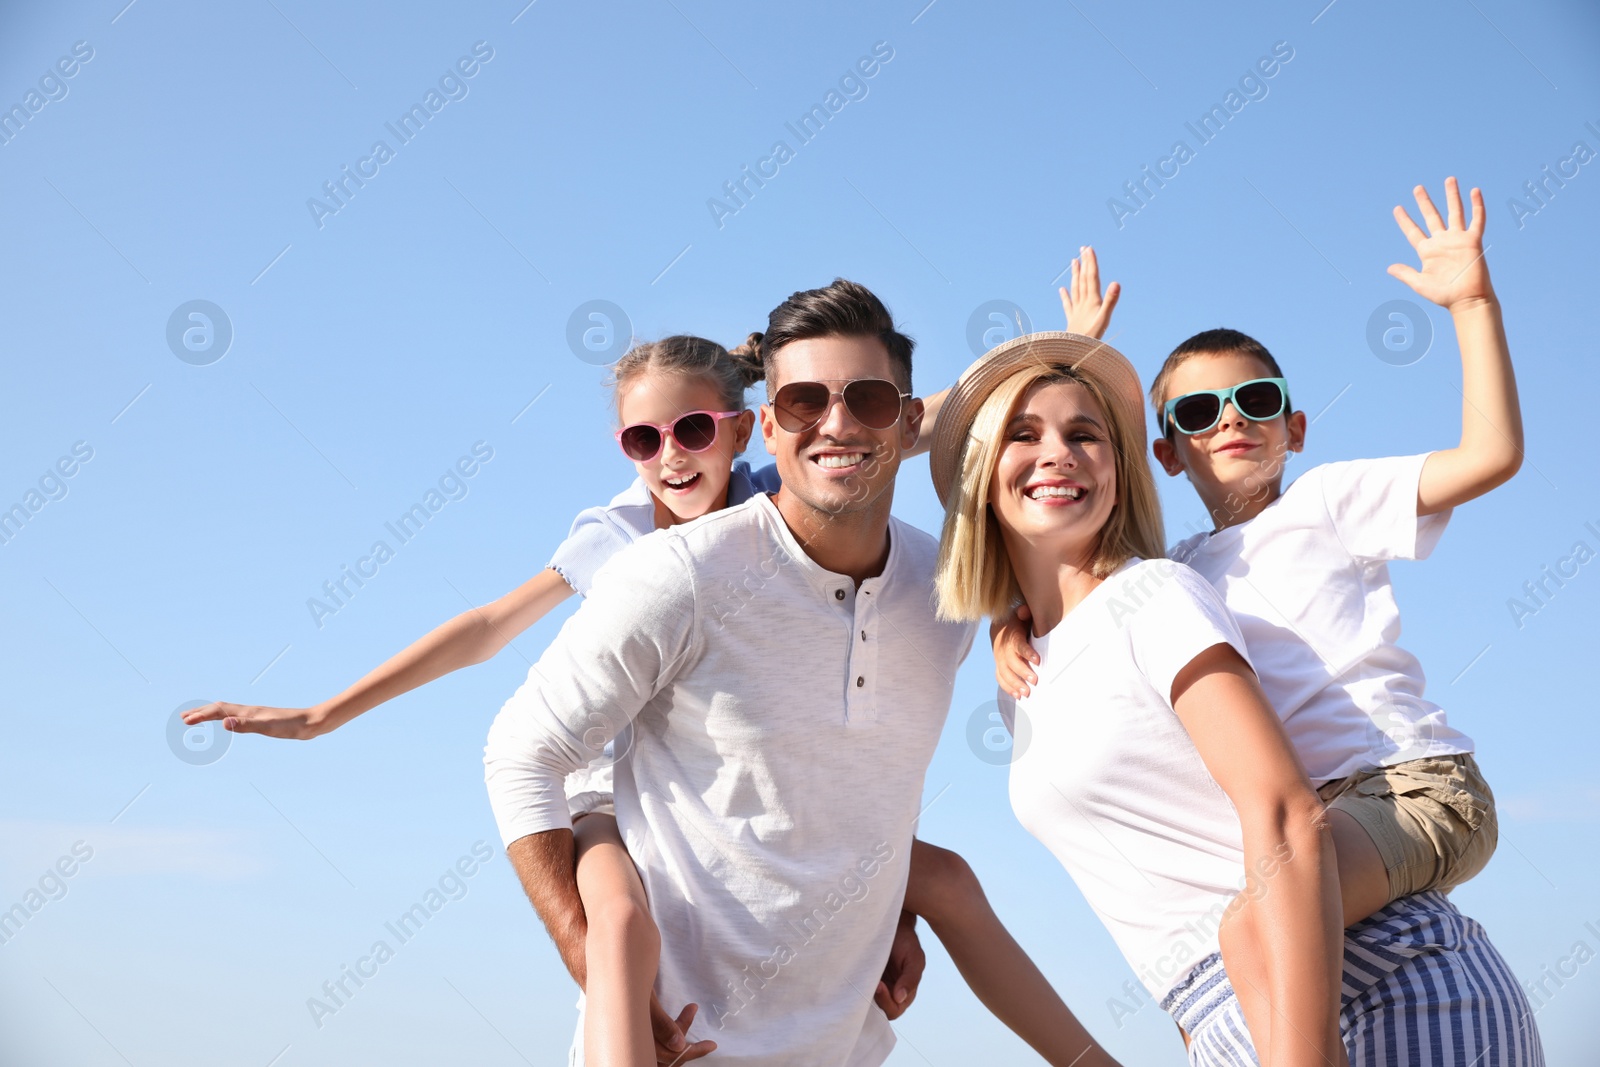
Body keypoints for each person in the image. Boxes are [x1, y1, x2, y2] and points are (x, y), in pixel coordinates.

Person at [195, 289, 1121, 1065]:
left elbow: (959, 436)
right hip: (627, 838)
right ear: (770, 420)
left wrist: (892, 905)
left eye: (871, 400)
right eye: (643, 439)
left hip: (844, 1040)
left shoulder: (938, 585)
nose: (670, 456)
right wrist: (323, 715)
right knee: (620, 926)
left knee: (948, 879)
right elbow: (502, 690)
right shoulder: (645, 558)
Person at [997, 180, 1521, 1038]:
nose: (1232, 420)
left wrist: (1471, 302)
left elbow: (1492, 453)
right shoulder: (1175, 573)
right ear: (1166, 453)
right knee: (1260, 911)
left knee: (1252, 924)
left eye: (1258, 400)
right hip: (1319, 812)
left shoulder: (1328, 502)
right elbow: (1069, 579)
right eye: (1200, 412)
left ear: (1297, 425)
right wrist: (1004, 628)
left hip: (1415, 785)